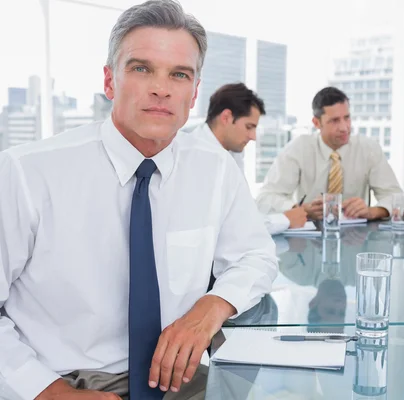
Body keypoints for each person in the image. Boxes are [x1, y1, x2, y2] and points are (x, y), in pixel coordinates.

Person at [0, 1, 278, 399]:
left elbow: (257, 256)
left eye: (179, 74)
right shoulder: (26, 173)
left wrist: (212, 307)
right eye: (141, 68)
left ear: (194, 92)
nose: (161, 88)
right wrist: (47, 391)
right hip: (63, 379)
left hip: (180, 377)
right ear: (110, 81)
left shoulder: (215, 171)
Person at [255, 87, 403, 221]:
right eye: (334, 121)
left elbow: (396, 197)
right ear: (316, 123)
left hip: (356, 238)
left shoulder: (368, 148)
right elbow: (265, 198)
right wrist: (299, 210)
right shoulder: (299, 148)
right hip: (308, 240)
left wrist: (372, 211)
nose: (344, 128)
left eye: (347, 118)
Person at [192, 83, 307, 234]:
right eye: (249, 127)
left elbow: (245, 210)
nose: (253, 137)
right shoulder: (198, 156)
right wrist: (285, 220)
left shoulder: (229, 152)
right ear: (226, 117)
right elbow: (234, 226)